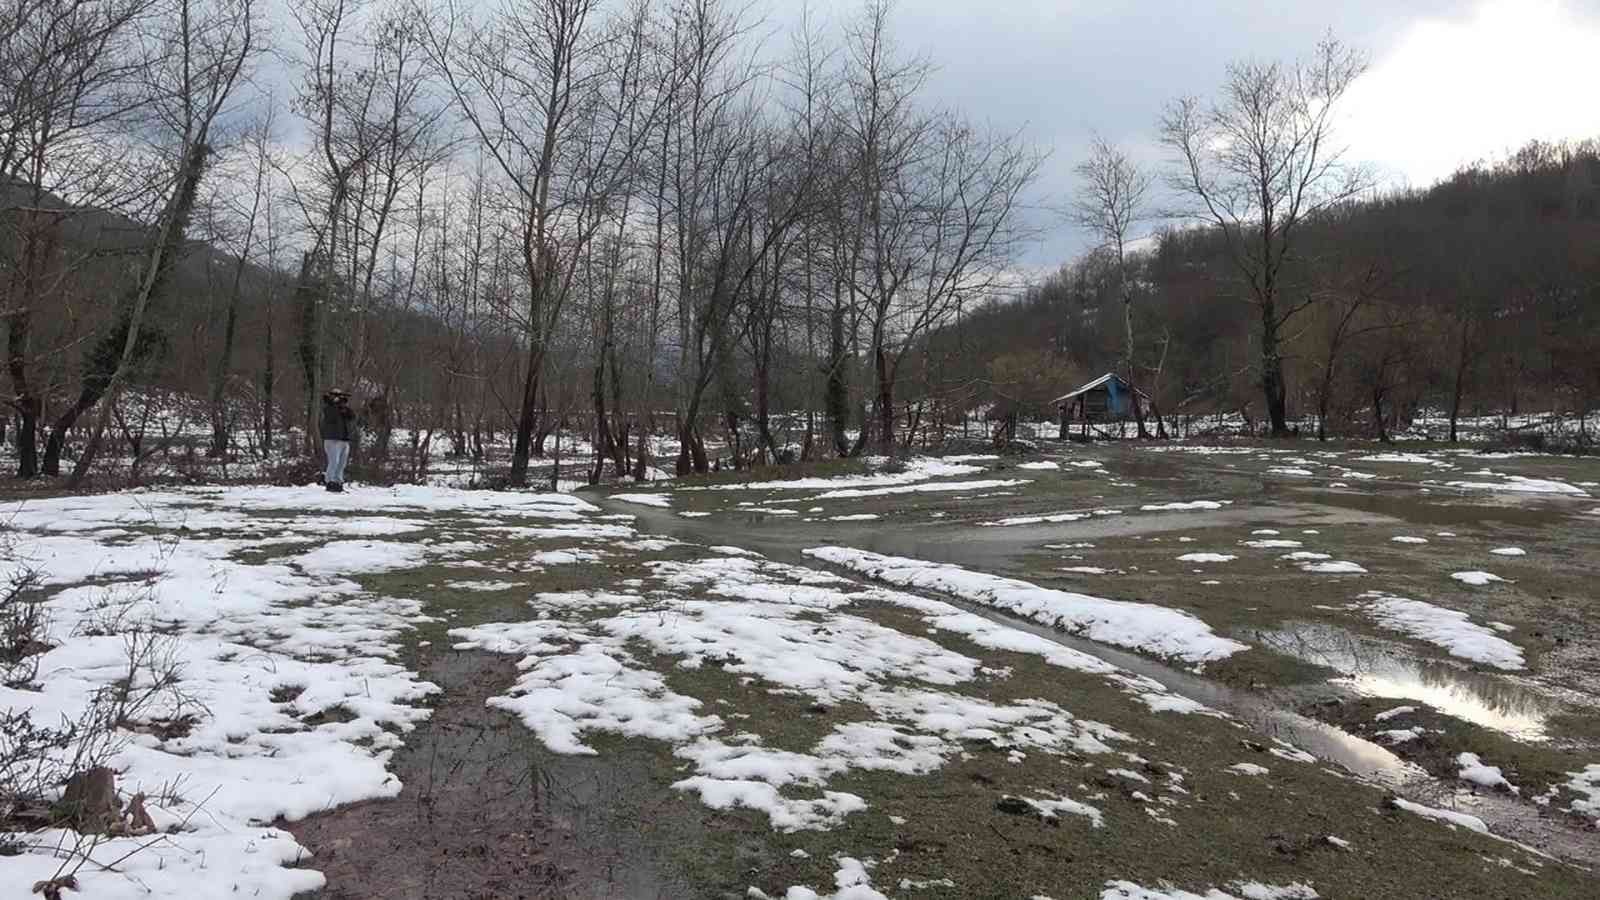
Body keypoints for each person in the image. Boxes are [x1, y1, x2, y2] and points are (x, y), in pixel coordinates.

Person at [320, 388, 356, 492]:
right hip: (332, 439)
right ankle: (329, 481)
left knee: (342, 463)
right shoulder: (328, 408)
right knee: (333, 461)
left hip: (343, 438)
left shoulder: (341, 408)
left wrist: (343, 405)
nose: (338, 398)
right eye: (336, 396)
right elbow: (331, 416)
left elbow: (351, 416)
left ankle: (338, 482)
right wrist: (335, 404)